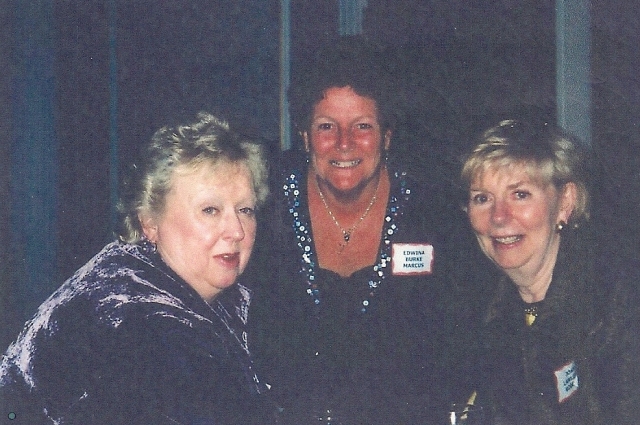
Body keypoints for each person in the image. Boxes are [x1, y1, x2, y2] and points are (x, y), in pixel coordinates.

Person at [246, 36, 488, 424]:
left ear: (387, 137)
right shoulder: (262, 208)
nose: (344, 144)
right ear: (305, 137)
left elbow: (469, 347)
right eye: (327, 126)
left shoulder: (435, 215)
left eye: (362, 126)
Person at [0, 112, 276, 424]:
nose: (236, 230)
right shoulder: (139, 325)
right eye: (210, 210)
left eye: (245, 210)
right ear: (149, 221)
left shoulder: (177, 288)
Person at [461, 118, 640, 424]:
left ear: (565, 203)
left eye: (520, 194)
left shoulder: (617, 305)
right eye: (482, 199)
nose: (499, 217)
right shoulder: (484, 316)